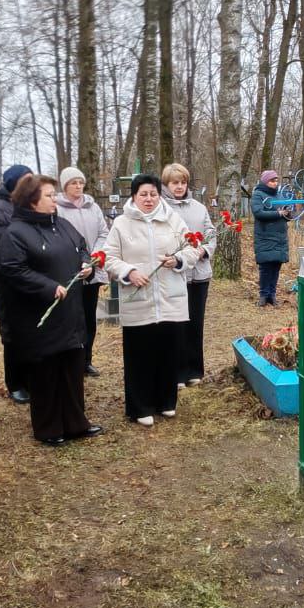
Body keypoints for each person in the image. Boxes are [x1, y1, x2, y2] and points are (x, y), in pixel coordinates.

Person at [0, 174, 103, 444]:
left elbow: (81, 247)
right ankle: (49, 428)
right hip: (40, 315)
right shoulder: (16, 233)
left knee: (72, 368)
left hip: (71, 312)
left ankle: (76, 423)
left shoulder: (62, 224)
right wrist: (47, 287)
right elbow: (13, 269)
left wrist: (86, 265)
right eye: (48, 195)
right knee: (47, 372)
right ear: (32, 200)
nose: (54, 199)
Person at [103, 173, 202, 426]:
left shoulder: (173, 220)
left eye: (153, 194)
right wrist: (129, 272)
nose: (149, 199)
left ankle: (166, 401)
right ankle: (140, 407)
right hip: (139, 300)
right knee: (140, 354)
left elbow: (192, 248)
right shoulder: (122, 224)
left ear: (160, 195)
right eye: (143, 194)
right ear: (134, 196)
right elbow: (109, 258)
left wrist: (177, 260)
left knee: (168, 351)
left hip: (170, 298)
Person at [161, 162, 216, 386]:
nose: (179, 186)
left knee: (195, 323)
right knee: (176, 325)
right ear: (166, 184)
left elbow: (211, 233)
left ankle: (194, 371)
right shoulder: (161, 208)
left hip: (199, 274)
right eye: (174, 182)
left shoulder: (198, 207)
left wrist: (203, 250)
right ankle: (177, 373)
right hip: (174, 273)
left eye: (183, 182)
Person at [0, 164, 34, 403]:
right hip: (10, 286)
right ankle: (15, 383)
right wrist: (16, 276)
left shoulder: (26, 206)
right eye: (26, 180)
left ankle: (30, 379)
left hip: (30, 282)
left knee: (30, 332)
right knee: (12, 334)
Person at [55, 165, 110, 377]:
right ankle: (71, 362)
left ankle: (87, 360)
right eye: (73, 183)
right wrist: (78, 260)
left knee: (89, 317)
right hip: (70, 270)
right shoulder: (58, 208)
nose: (78, 186)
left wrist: (94, 257)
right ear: (65, 186)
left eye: (80, 183)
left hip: (92, 269)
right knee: (71, 318)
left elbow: (104, 233)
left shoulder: (92, 207)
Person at [251, 169, 290, 306]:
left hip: (280, 237)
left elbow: (287, 210)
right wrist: (278, 214)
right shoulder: (258, 194)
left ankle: (272, 295)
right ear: (265, 181)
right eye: (272, 181)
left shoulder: (280, 195)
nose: (275, 183)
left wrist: (289, 213)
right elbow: (258, 213)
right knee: (266, 267)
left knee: (276, 266)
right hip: (265, 236)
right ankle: (263, 295)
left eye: (276, 180)